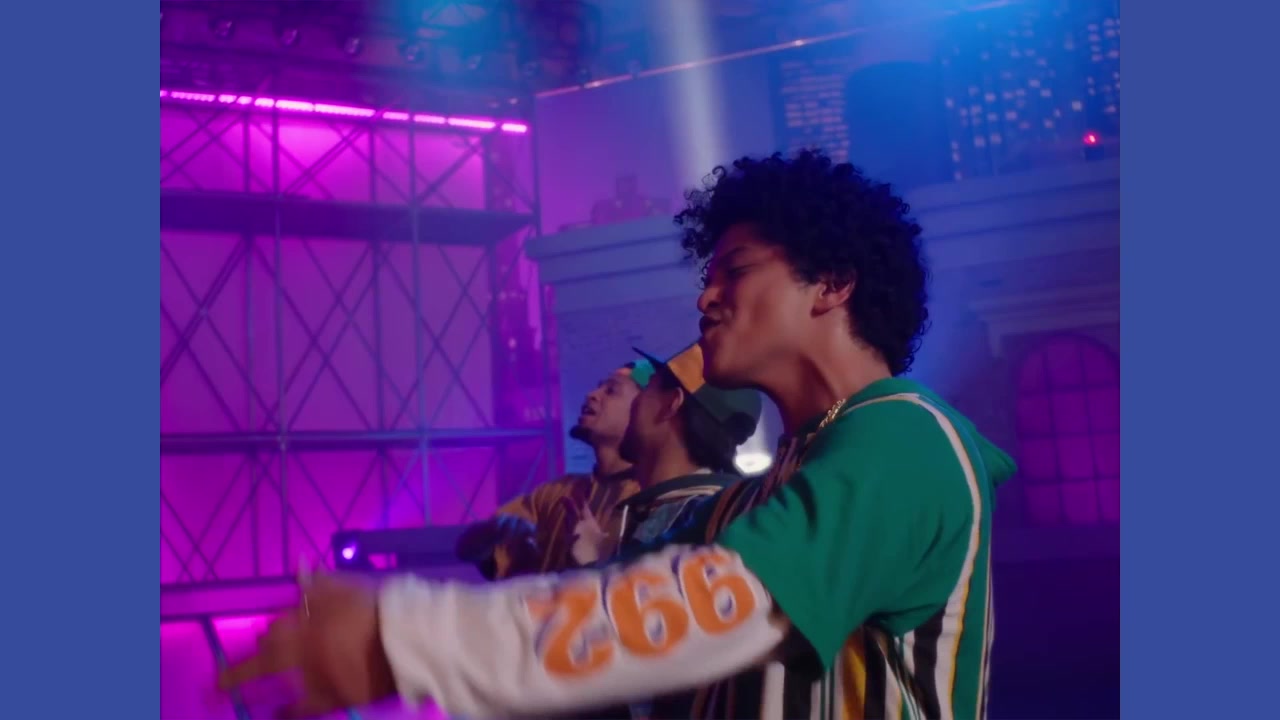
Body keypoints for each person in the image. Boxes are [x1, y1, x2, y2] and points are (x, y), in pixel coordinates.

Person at [218, 149, 1018, 720]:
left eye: (735, 269)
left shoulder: (910, 439)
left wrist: (403, 637)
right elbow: (615, 602)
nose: (706, 296)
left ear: (833, 284)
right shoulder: (757, 494)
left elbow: (712, 607)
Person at [567, 344, 761, 569]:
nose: (634, 404)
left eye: (647, 387)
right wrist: (602, 558)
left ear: (671, 404)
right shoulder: (704, 512)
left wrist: (594, 567)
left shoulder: (692, 523)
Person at [454, 362, 648, 580]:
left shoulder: (654, 503)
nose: (592, 394)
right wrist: (491, 533)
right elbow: (469, 550)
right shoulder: (556, 493)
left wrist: (593, 561)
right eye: (599, 387)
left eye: (611, 390)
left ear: (643, 414)